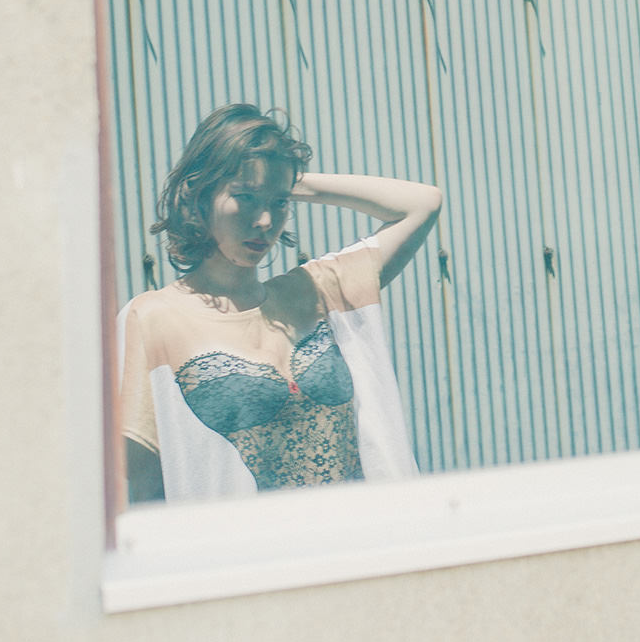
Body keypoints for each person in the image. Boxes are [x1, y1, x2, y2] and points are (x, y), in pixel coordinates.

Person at [118, 103, 442, 503]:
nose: (265, 221)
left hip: (362, 532)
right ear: (200, 194)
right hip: (248, 541)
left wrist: (288, 180)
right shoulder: (153, 317)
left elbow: (423, 203)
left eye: (279, 203)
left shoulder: (319, 291)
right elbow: (143, 482)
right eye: (245, 197)